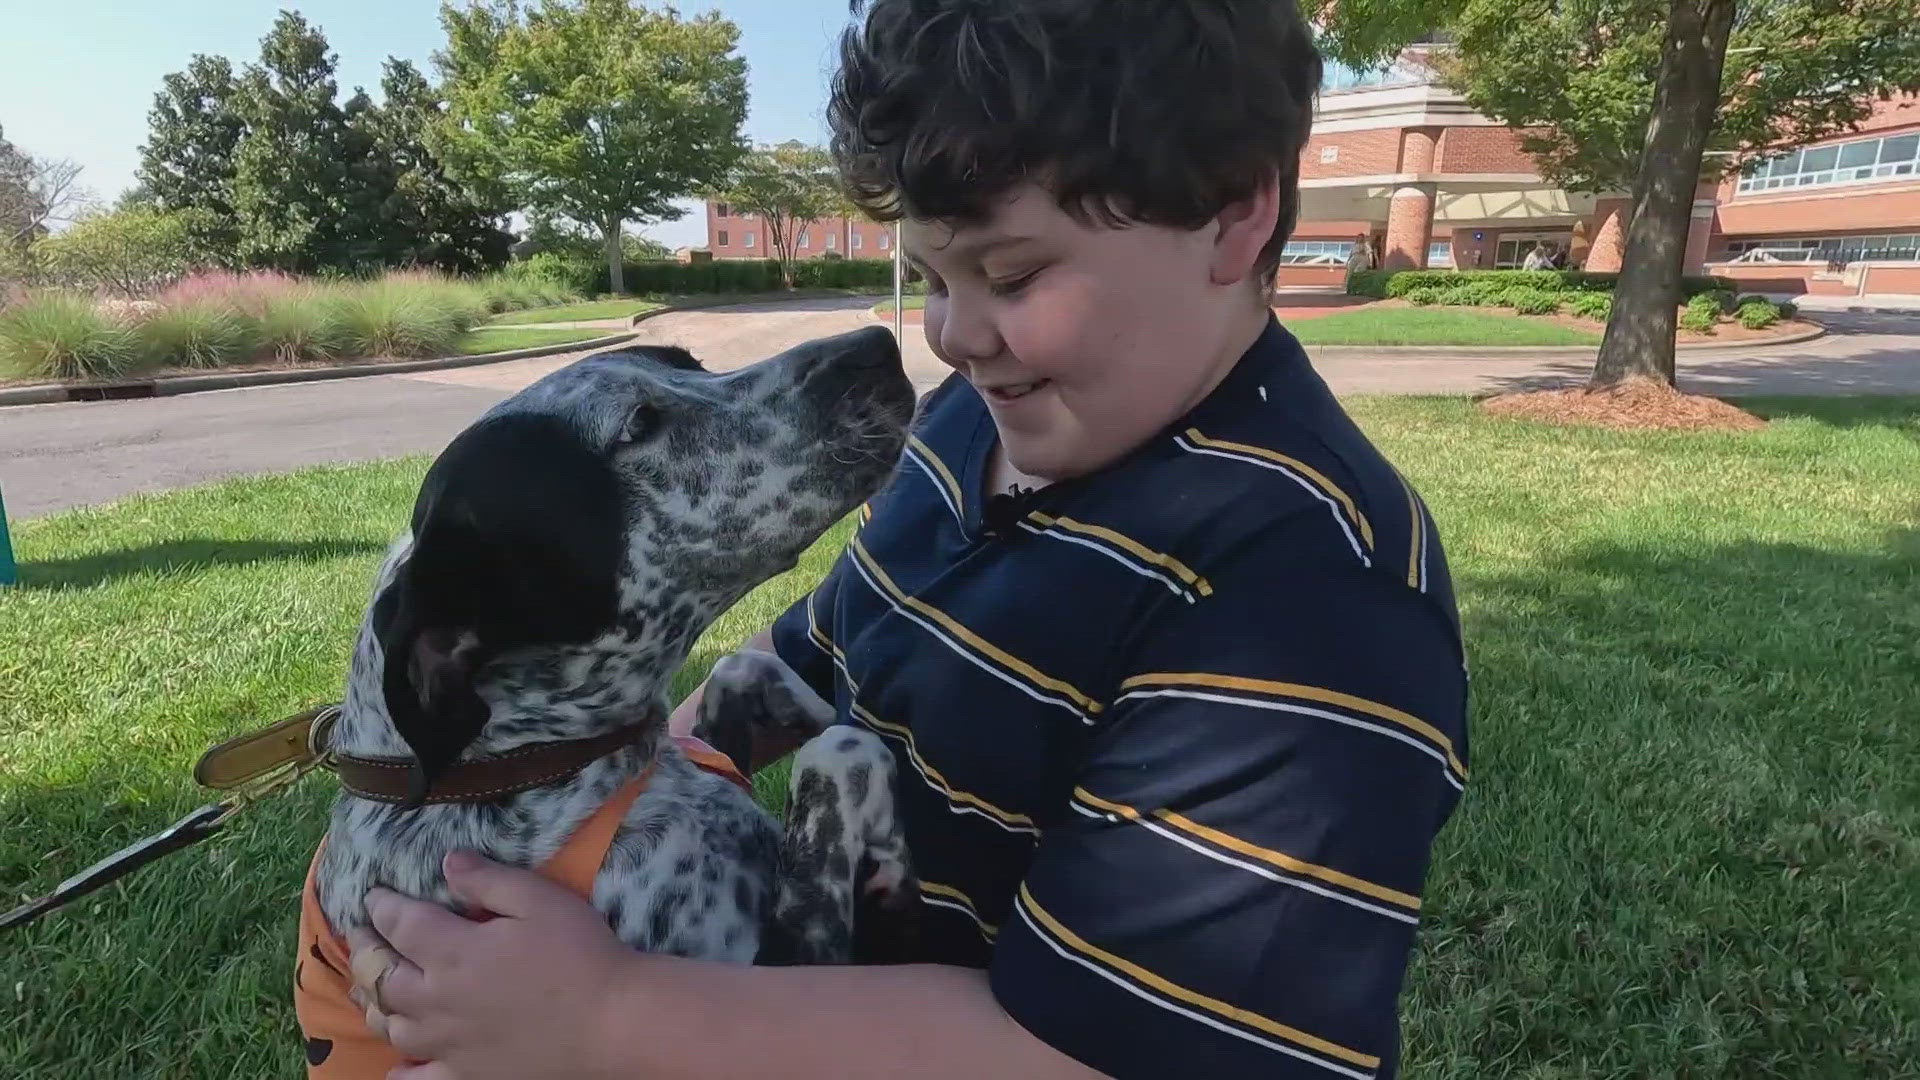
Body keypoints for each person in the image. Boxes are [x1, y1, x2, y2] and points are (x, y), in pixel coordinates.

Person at [350, 2, 1470, 1077]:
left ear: (1234, 213)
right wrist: (600, 807)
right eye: (934, 276)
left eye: (1013, 274)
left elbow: (1091, 1056)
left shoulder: (1316, 601)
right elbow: (819, 657)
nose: (952, 334)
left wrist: (607, 1015)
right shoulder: (963, 429)